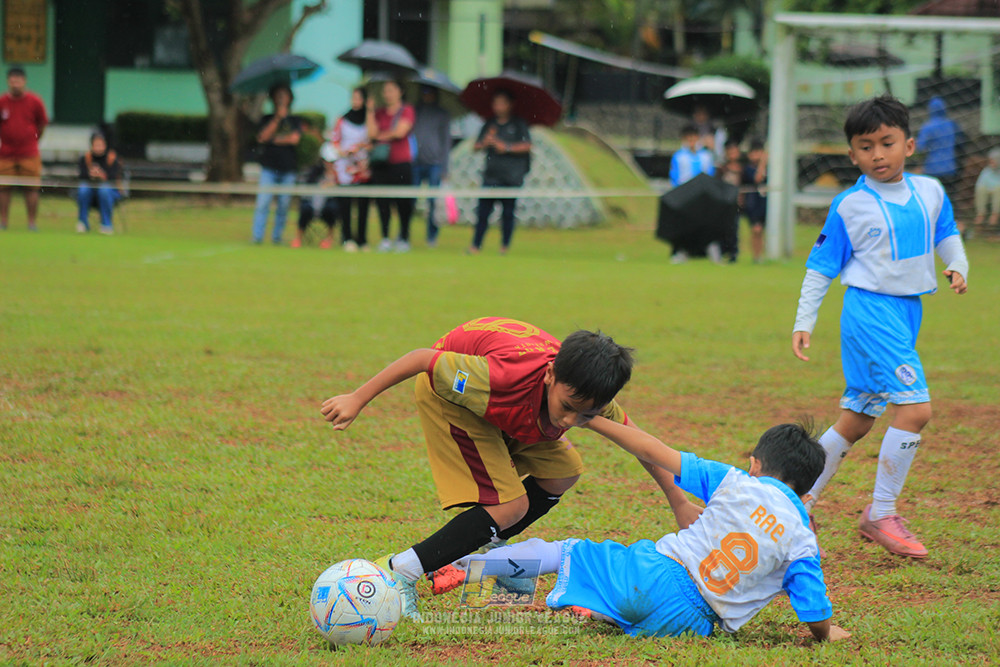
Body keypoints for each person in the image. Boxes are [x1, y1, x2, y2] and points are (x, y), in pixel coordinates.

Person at [320, 316, 702, 621]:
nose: (570, 420)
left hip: (514, 411)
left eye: (586, 414)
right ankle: (398, 571)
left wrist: (680, 503)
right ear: (551, 374)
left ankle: (472, 551)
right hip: (455, 403)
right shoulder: (499, 377)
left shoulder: (588, 396)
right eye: (567, 406)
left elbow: (645, 447)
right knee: (511, 506)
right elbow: (422, 359)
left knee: (563, 471)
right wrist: (357, 398)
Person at [443, 420, 850, 643]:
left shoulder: (736, 481)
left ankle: (467, 570)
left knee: (563, 552)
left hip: (656, 573)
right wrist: (825, 633)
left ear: (755, 464)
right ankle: (600, 607)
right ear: (807, 487)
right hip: (691, 624)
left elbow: (654, 450)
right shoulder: (803, 540)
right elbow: (813, 607)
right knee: (622, 599)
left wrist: (595, 421)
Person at [792, 94, 969, 559]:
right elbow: (820, 267)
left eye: (886, 143)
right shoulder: (849, 205)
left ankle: (799, 500)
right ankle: (881, 512)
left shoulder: (931, 191)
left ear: (908, 145)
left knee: (858, 417)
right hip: (870, 313)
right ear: (852, 155)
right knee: (915, 411)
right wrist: (803, 321)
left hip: (908, 312)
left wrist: (959, 265)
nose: (877, 154)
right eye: (865, 146)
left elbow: (946, 234)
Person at [470, 90, 531, 255]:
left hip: (511, 177)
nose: (498, 106)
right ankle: (476, 246)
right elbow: (475, 146)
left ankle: (504, 246)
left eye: (502, 102)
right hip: (491, 176)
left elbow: (527, 146)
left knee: (507, 214)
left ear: (510, 104)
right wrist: (484, 143)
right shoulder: (489, 124)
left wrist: (507, 147)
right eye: (496, 102)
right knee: (483, 213)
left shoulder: (518, 124)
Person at [367, 80, 416, 253]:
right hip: (381, 163)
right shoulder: (379, 113)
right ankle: (385, 237)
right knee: (383, 202)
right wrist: (370, 110)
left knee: (403, 202)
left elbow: (400, 132)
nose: (387, 94)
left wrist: (382, 135)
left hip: (401, 162)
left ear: (400, 91)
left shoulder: (407, 110)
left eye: (391, 90)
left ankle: (404, 237)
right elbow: (372, 133)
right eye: (385, 90)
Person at [0, 66, 48, 232]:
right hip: (5, 153)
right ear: (8, 82)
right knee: (3, 187)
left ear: (24, 81)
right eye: (12, 81)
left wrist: (32, 139)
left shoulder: (35, 101)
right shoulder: (2, 102)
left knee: (31, 188)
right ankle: (3, 221)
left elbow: (42, 124)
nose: (15, 84)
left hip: (29, 153)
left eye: (18, 80)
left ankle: (32, 223)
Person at [252, 83, 301, 245]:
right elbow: (263, 137)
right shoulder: (267, 118)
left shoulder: (294, 120)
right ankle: (257, 237)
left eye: (284, 95)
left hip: (288, 168)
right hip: (269, 167)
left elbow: (294, 139)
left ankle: (277, 237)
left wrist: (275, 140)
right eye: (278, 95)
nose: (281, 98)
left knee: (283, 205)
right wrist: (278, 118)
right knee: (263, 202)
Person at [330, 87, 372, 252]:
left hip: (362, 168)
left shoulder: (368, 120)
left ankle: (362, 239)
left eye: (359, 98)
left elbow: (372, 140)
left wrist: (361, 148)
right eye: (353, 98)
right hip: (345, 168)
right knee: (345, 204)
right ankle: (346, 237)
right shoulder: (342, 120)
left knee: (363, 204)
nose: (356, 101)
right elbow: (335, 141)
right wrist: (344, 152)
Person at [412, 86, 451, 247]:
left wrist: (445, 167)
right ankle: (405, 235)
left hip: (435, 163)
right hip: (415, 162)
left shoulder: (442, 114)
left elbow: (446, 142)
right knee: (410, 200)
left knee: (433, 203)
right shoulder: (414, 111)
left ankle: (431, 237)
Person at [916, 97, 963, 206]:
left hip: (932, 168)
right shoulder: (952, 124)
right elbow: (961, 141)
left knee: (932, 198)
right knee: (949, 197)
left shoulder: (927, 127)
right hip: (950, 167)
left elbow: (920, 147)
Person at [291, 142, 338, 249]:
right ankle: (298, 238)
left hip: (327, 204)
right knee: (304, 209)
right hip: (312, 202)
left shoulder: (337, 173)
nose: (330, 164)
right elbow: (307, 187)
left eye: (332, 161)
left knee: (332, 209)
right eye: (328, 161)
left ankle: (329, 239)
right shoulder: (314, 172)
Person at [76, 132, 123, 235]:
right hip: (90, 191)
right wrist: (91, 175)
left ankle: (106, 224)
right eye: (96, 145)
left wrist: (102, 176)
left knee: (104, 190)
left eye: (100, 144)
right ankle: (82, 222)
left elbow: (114, 177)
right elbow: (81, 175)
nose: (98, 147)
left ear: (105, 145)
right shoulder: (85, 158)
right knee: (83, 189)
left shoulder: (112, 158)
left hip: (108, 192)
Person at [742, 139, 769, 264]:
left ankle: (760, 256)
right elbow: (757, 179)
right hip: (753, 203)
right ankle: (756, 256)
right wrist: (763, 162)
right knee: (756, 229)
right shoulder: (748, 168)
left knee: (761, 230)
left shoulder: (771, 168)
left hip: (764, 202)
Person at [717, 140, 744, 263]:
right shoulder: (722, 169)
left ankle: (733, 253)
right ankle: (722, 251)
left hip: (737, 204)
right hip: (724, 204)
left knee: (735, 228)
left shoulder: (743, 168)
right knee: (723, 228)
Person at [973, 147, 1000, 228]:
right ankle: (980, 214)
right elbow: (980, 183)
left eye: (994, 160)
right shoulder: (986, 171)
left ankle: (995, 214)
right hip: (988, 189)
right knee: (980, 189)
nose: (991, 162)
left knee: (998, 190)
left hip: (997, 190)